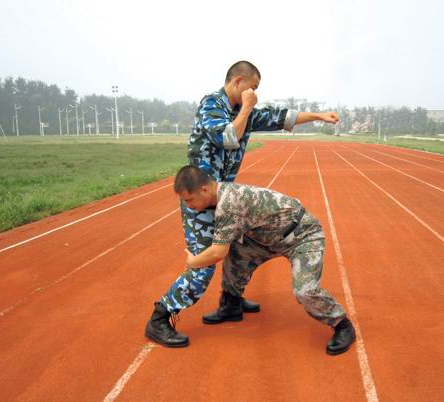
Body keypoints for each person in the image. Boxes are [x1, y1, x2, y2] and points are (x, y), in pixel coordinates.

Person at [145, 61, 340, 348]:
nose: (255, 94)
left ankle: (231, 303)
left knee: (239, 245)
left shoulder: (241, 112)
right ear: (238, 82)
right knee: (204, 266)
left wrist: (319, 116)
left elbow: (280, 116)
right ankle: (160, 318)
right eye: (253, 88)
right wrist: (247, 108)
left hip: (222, 198)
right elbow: (228, 137)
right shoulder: (211, 106)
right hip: (200, 202)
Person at [146, 166, 356, 355]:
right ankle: (232, 304)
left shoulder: (228, 204)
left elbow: (217, 252)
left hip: (302, 237)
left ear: (204, 190)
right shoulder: (219, 194)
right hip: (265, 238)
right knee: (237, 253)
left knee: (305, 291)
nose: (189, 207)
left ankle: (342, 324)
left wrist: (193, 262)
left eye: (189, 200)